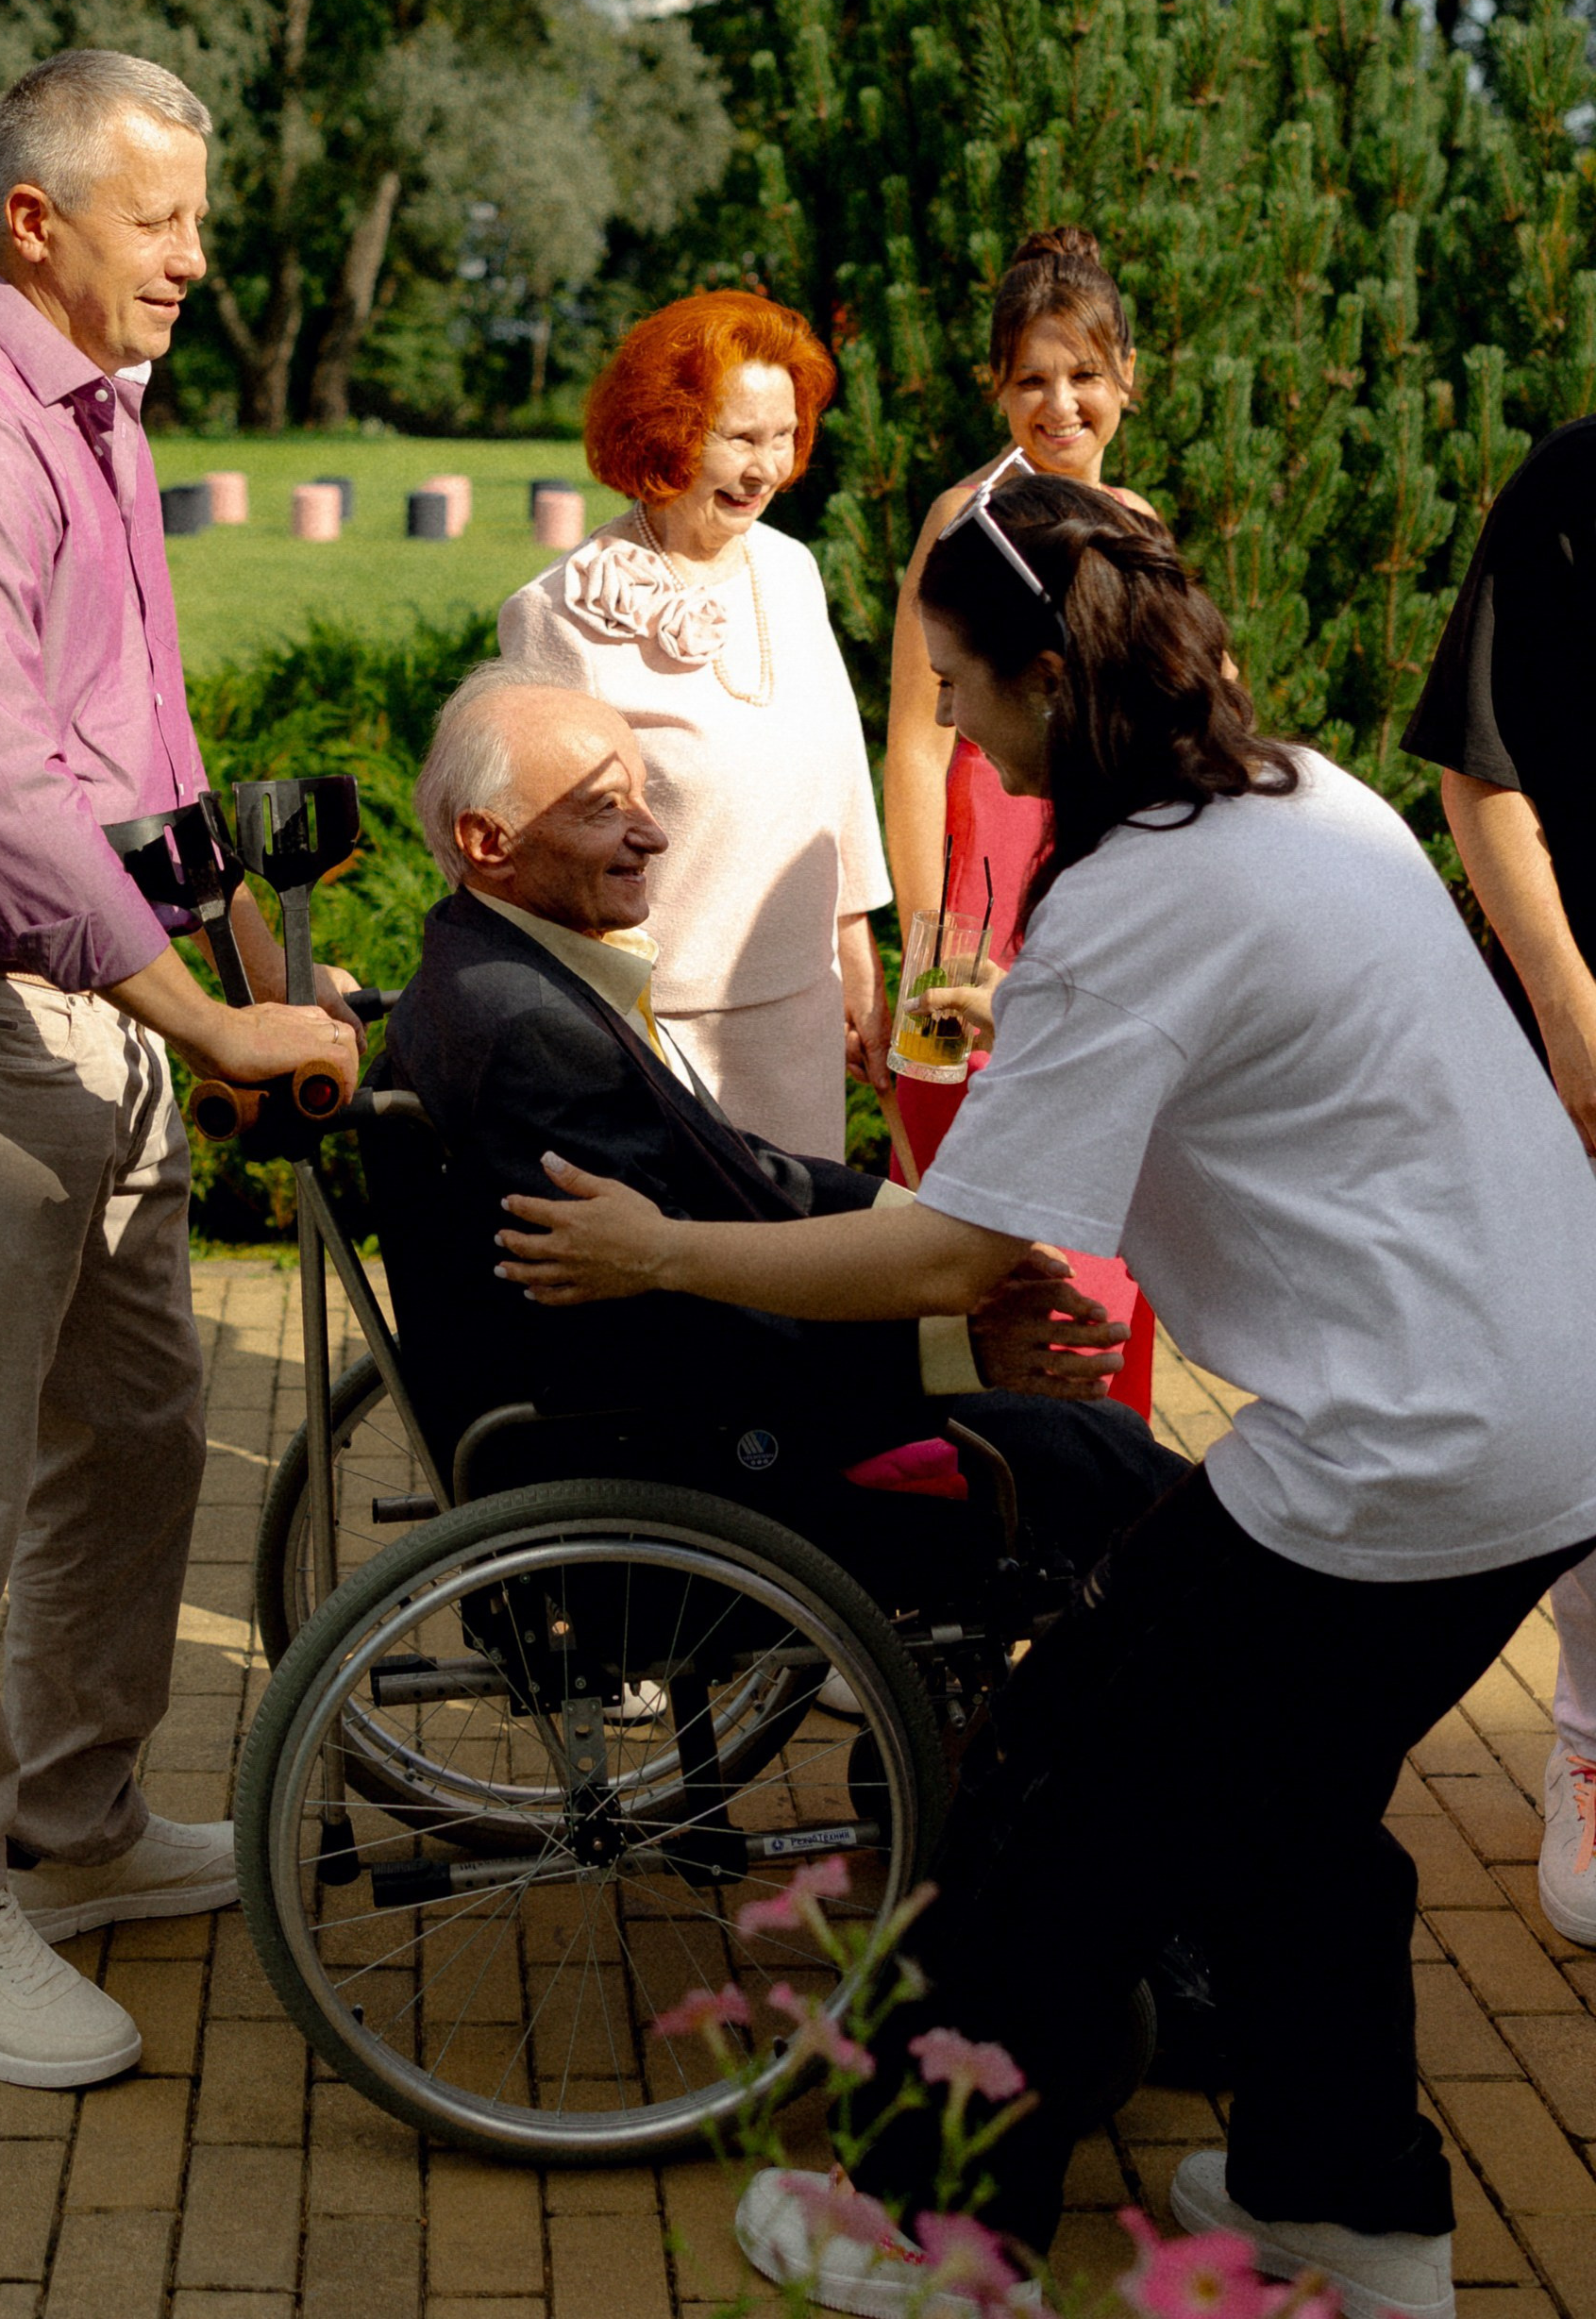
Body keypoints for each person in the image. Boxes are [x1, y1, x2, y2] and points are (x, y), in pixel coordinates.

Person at [495, 473, 1596, 2319]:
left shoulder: (1139, 898)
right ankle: (1350, 2205)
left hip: (1406, 1449)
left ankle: (939, 2234)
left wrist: (659, 1254)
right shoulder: (1307, 801)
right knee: (1291, 1805)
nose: (961, 727)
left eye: (959, 683)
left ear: (1039, 682)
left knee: (1047, 1800)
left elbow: (939, 1258)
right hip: (1559, 1407)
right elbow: (1263, 1126)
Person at [0, 50, 361, 2092]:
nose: (196, 260)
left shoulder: (95, 415)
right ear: (37, 220)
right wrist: (201, 1019)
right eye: (163, 222)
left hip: (93, 1018)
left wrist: (260, 961)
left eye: (197, 221)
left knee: (130, 1443)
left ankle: (77, 1825)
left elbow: (145, 747)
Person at [371, 664, 1179, 1601]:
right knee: (1090, 1461)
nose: (653, 832)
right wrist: (952, 1343)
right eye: (603, 809)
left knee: (1093, 1449)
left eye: (643, 796)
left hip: (675, 1417)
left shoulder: (493, 959)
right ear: (488, 840)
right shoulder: (529, 1036)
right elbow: (657, 1336)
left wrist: (926, 1229)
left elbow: (732, 1169)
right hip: (675, 1472)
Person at [498, 291, 890, 1160]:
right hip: (649, 1030)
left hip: (799, 1008)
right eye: (740, 438)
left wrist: (855, 955)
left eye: (783, 437)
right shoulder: (563, 613)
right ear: (667, 430)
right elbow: (544, 858)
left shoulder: (790, 571)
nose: (766, 469)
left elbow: (839, 774)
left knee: (796, 1277)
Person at [883, 227, 1160, 1417]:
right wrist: (927, 934)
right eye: (1032, 377)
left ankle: (1113, 1470)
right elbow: (909, 736)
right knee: (980, 1211)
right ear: (996, 385)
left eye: (1083, 375)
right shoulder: (965, 519)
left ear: (1126, 380)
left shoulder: (1137, 521)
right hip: (985, 883)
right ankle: (978, 1483)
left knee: (1111, 1219)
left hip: (1108, 885)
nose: (1061, 403)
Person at [1404, 416, 1596, 1945]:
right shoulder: (1576, 487)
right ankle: (1592, 1754)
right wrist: (1576, 1020)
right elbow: (1485, 776)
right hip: (1580, 1033)